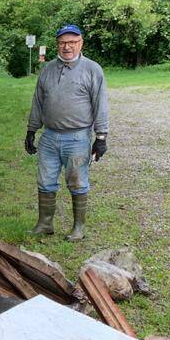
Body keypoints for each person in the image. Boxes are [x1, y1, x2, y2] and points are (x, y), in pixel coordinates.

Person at [25, 24, 108, 241]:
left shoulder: (92, 70)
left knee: (78, 182)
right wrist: (32, 129)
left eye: (72, 42)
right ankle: (45, 224)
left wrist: (101, 137)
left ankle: (78, 228)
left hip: (78, 137)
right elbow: (38, 101)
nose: (67, 47)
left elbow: (101, 105)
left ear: (81, 43)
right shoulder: (47, 69)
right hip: (49, 137)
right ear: (57, 45)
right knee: (45, 181)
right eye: (62, 43)